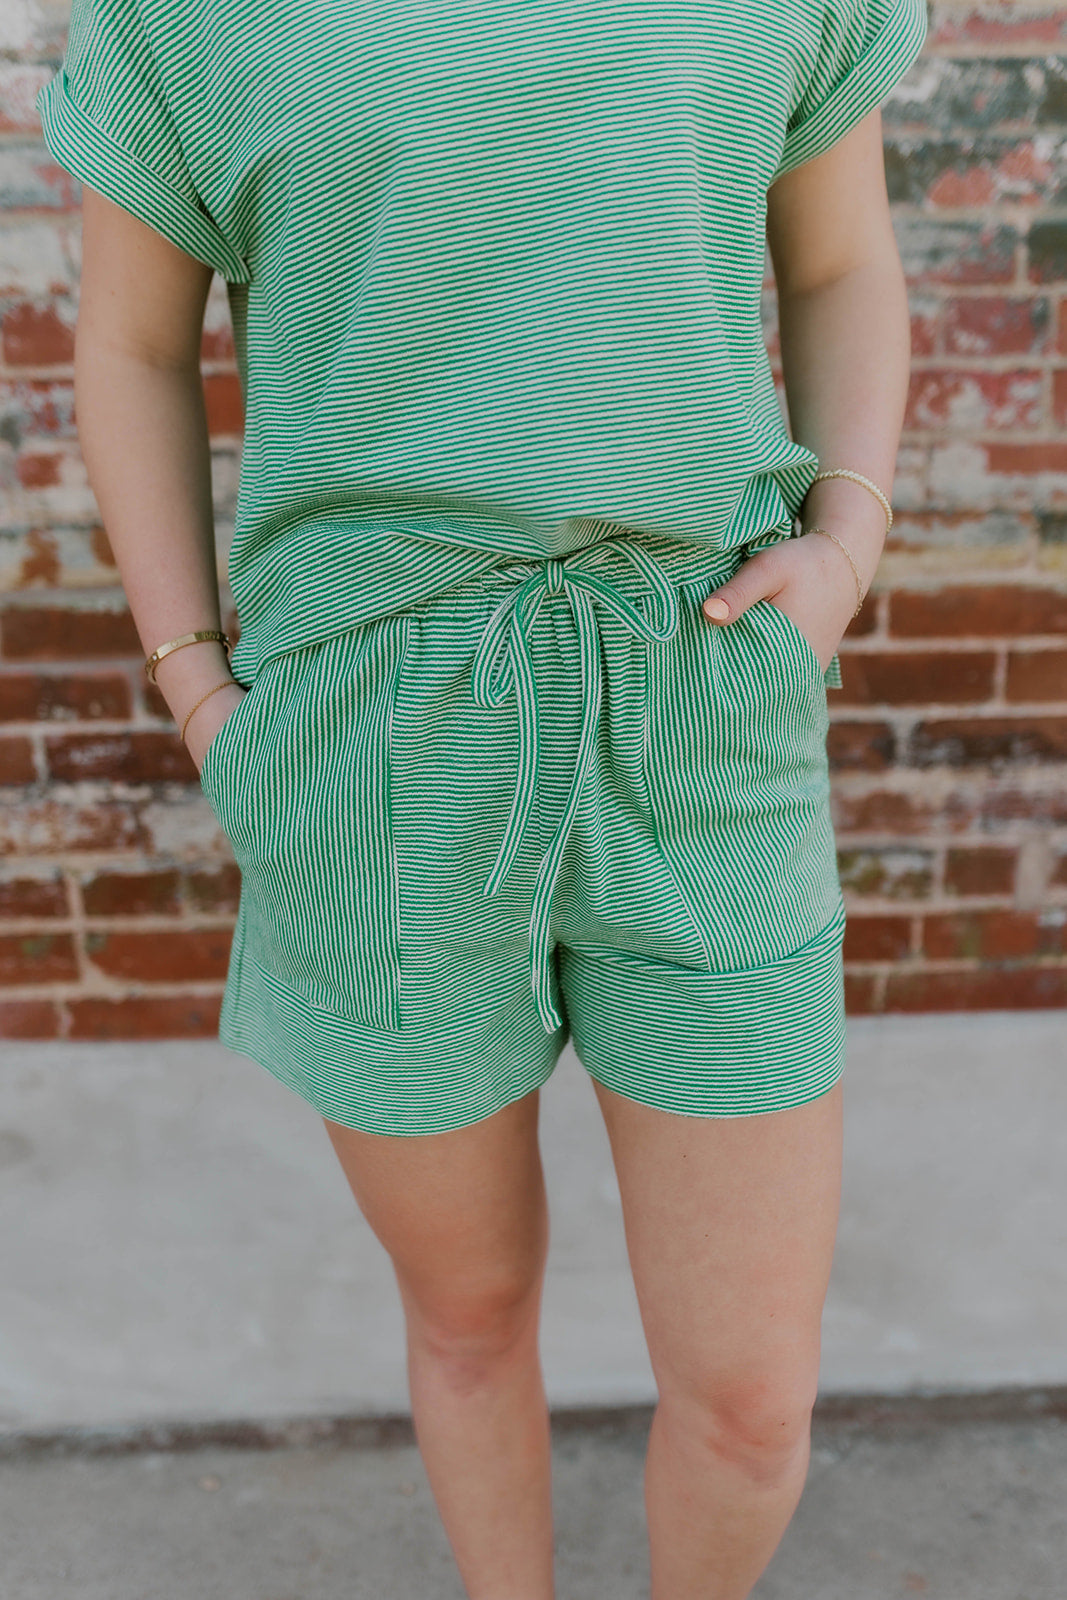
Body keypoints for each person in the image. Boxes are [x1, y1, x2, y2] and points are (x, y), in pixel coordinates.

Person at [37, 0, 926, 1593]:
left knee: (749, 1402)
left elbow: (843, 259)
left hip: (702, 701)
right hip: (373, 750)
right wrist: (202, 695)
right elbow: (131, 343)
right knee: (467, 1316)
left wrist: (847, 542)